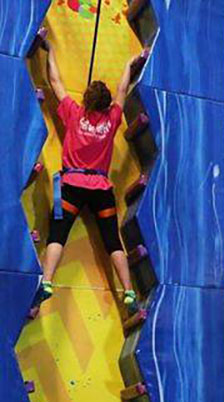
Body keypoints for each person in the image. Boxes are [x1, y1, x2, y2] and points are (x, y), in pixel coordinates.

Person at [39, 42, 140, 312]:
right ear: (106, 105)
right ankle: (128, 291)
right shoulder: (112, 120)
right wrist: (129, 65)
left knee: (58, 234)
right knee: (111, 240)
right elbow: (122, 90)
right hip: (100, 187)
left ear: (86, 100)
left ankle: (47, 281)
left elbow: (55, 80)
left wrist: (51, 50)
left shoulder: (74, 112)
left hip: (71, 184)